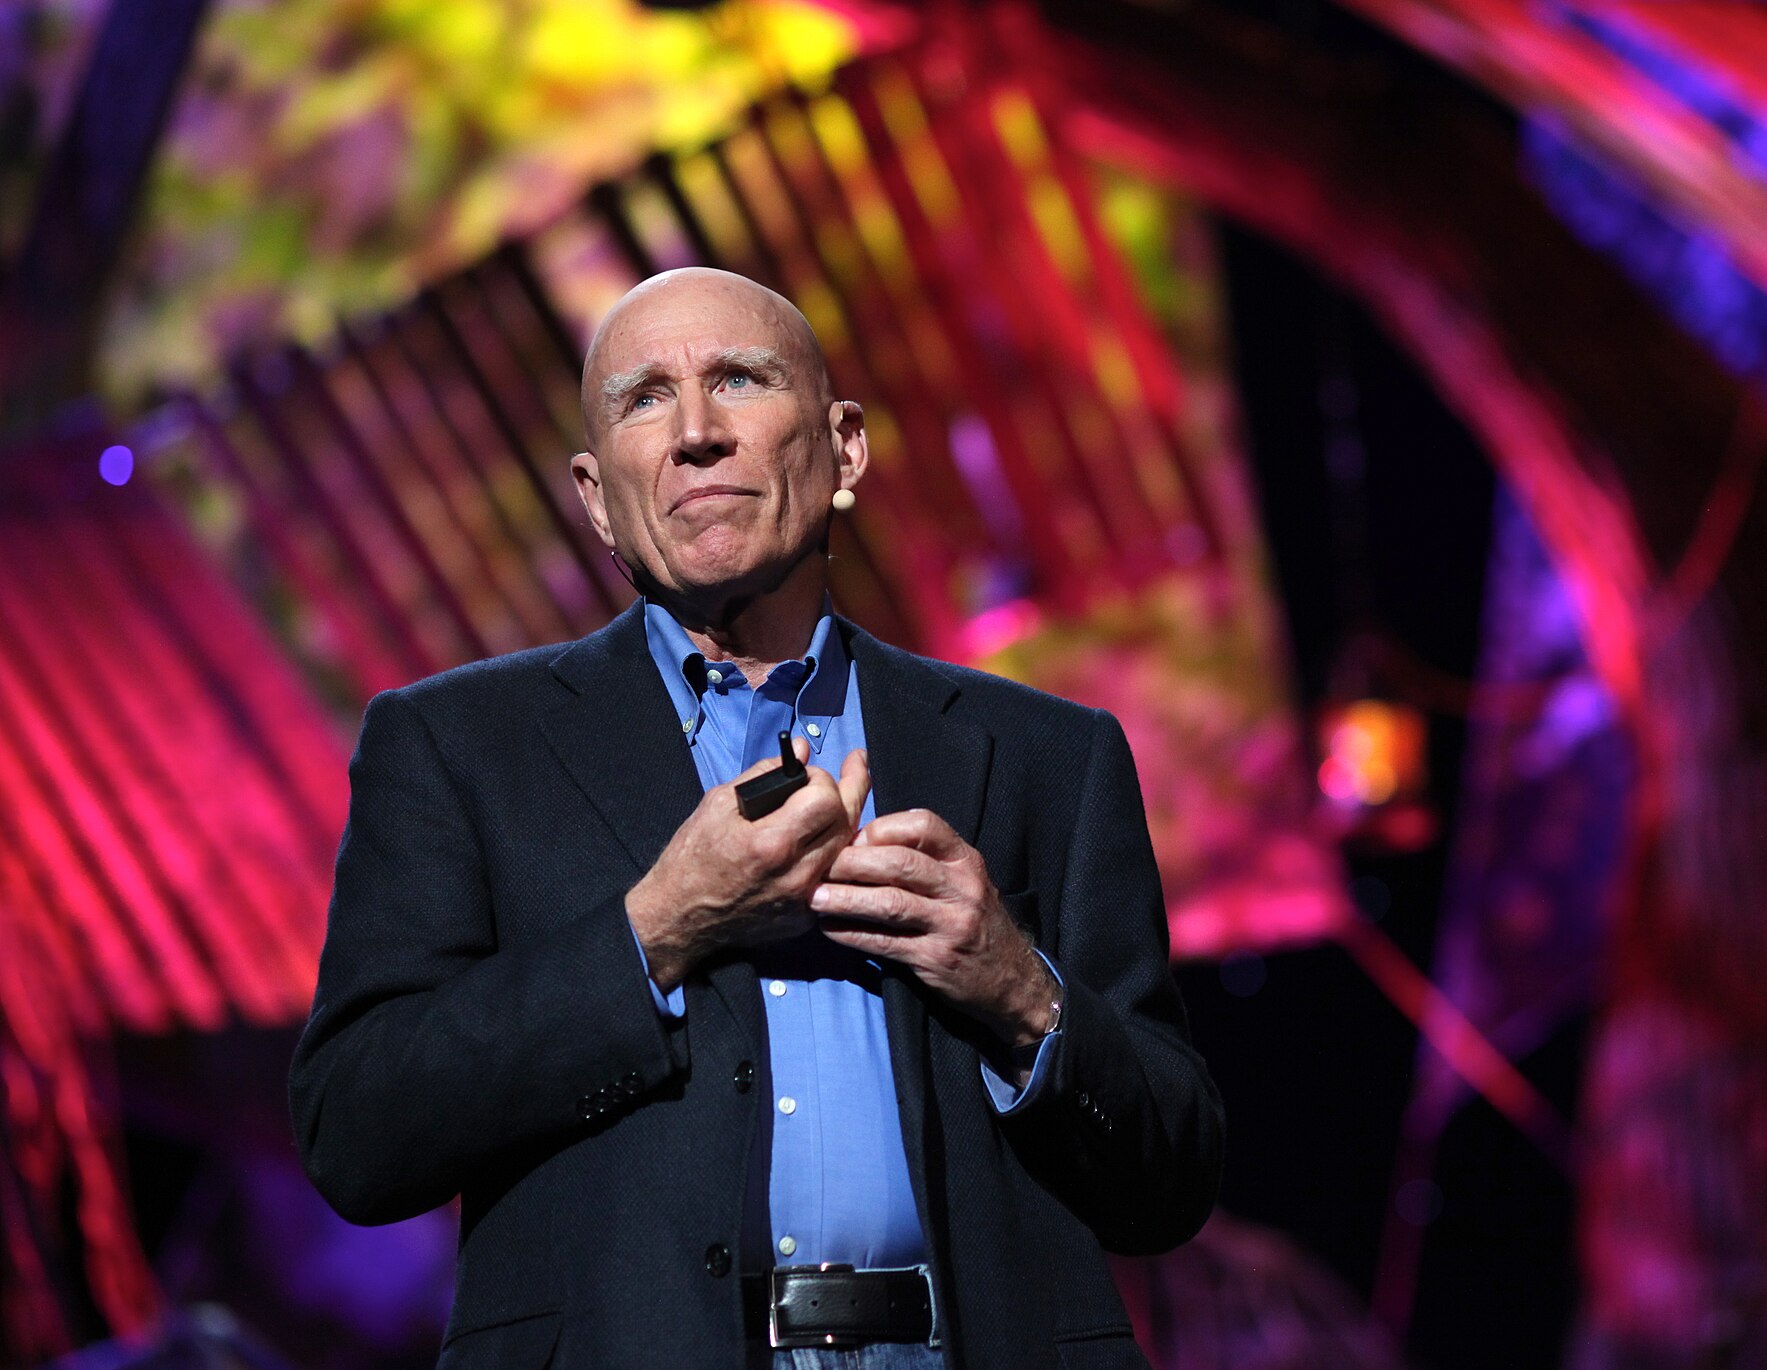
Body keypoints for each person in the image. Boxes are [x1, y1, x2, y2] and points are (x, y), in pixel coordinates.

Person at [289, 268, 1223, 1369]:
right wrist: (659, 926)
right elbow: (359, 1132)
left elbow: (1174, 1175)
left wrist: (1019, 989)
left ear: (846, 452)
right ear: (596, 498)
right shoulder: (456, 747)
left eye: (739, 379)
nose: (694, 433)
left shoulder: (1047, 756)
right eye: (644, 399)